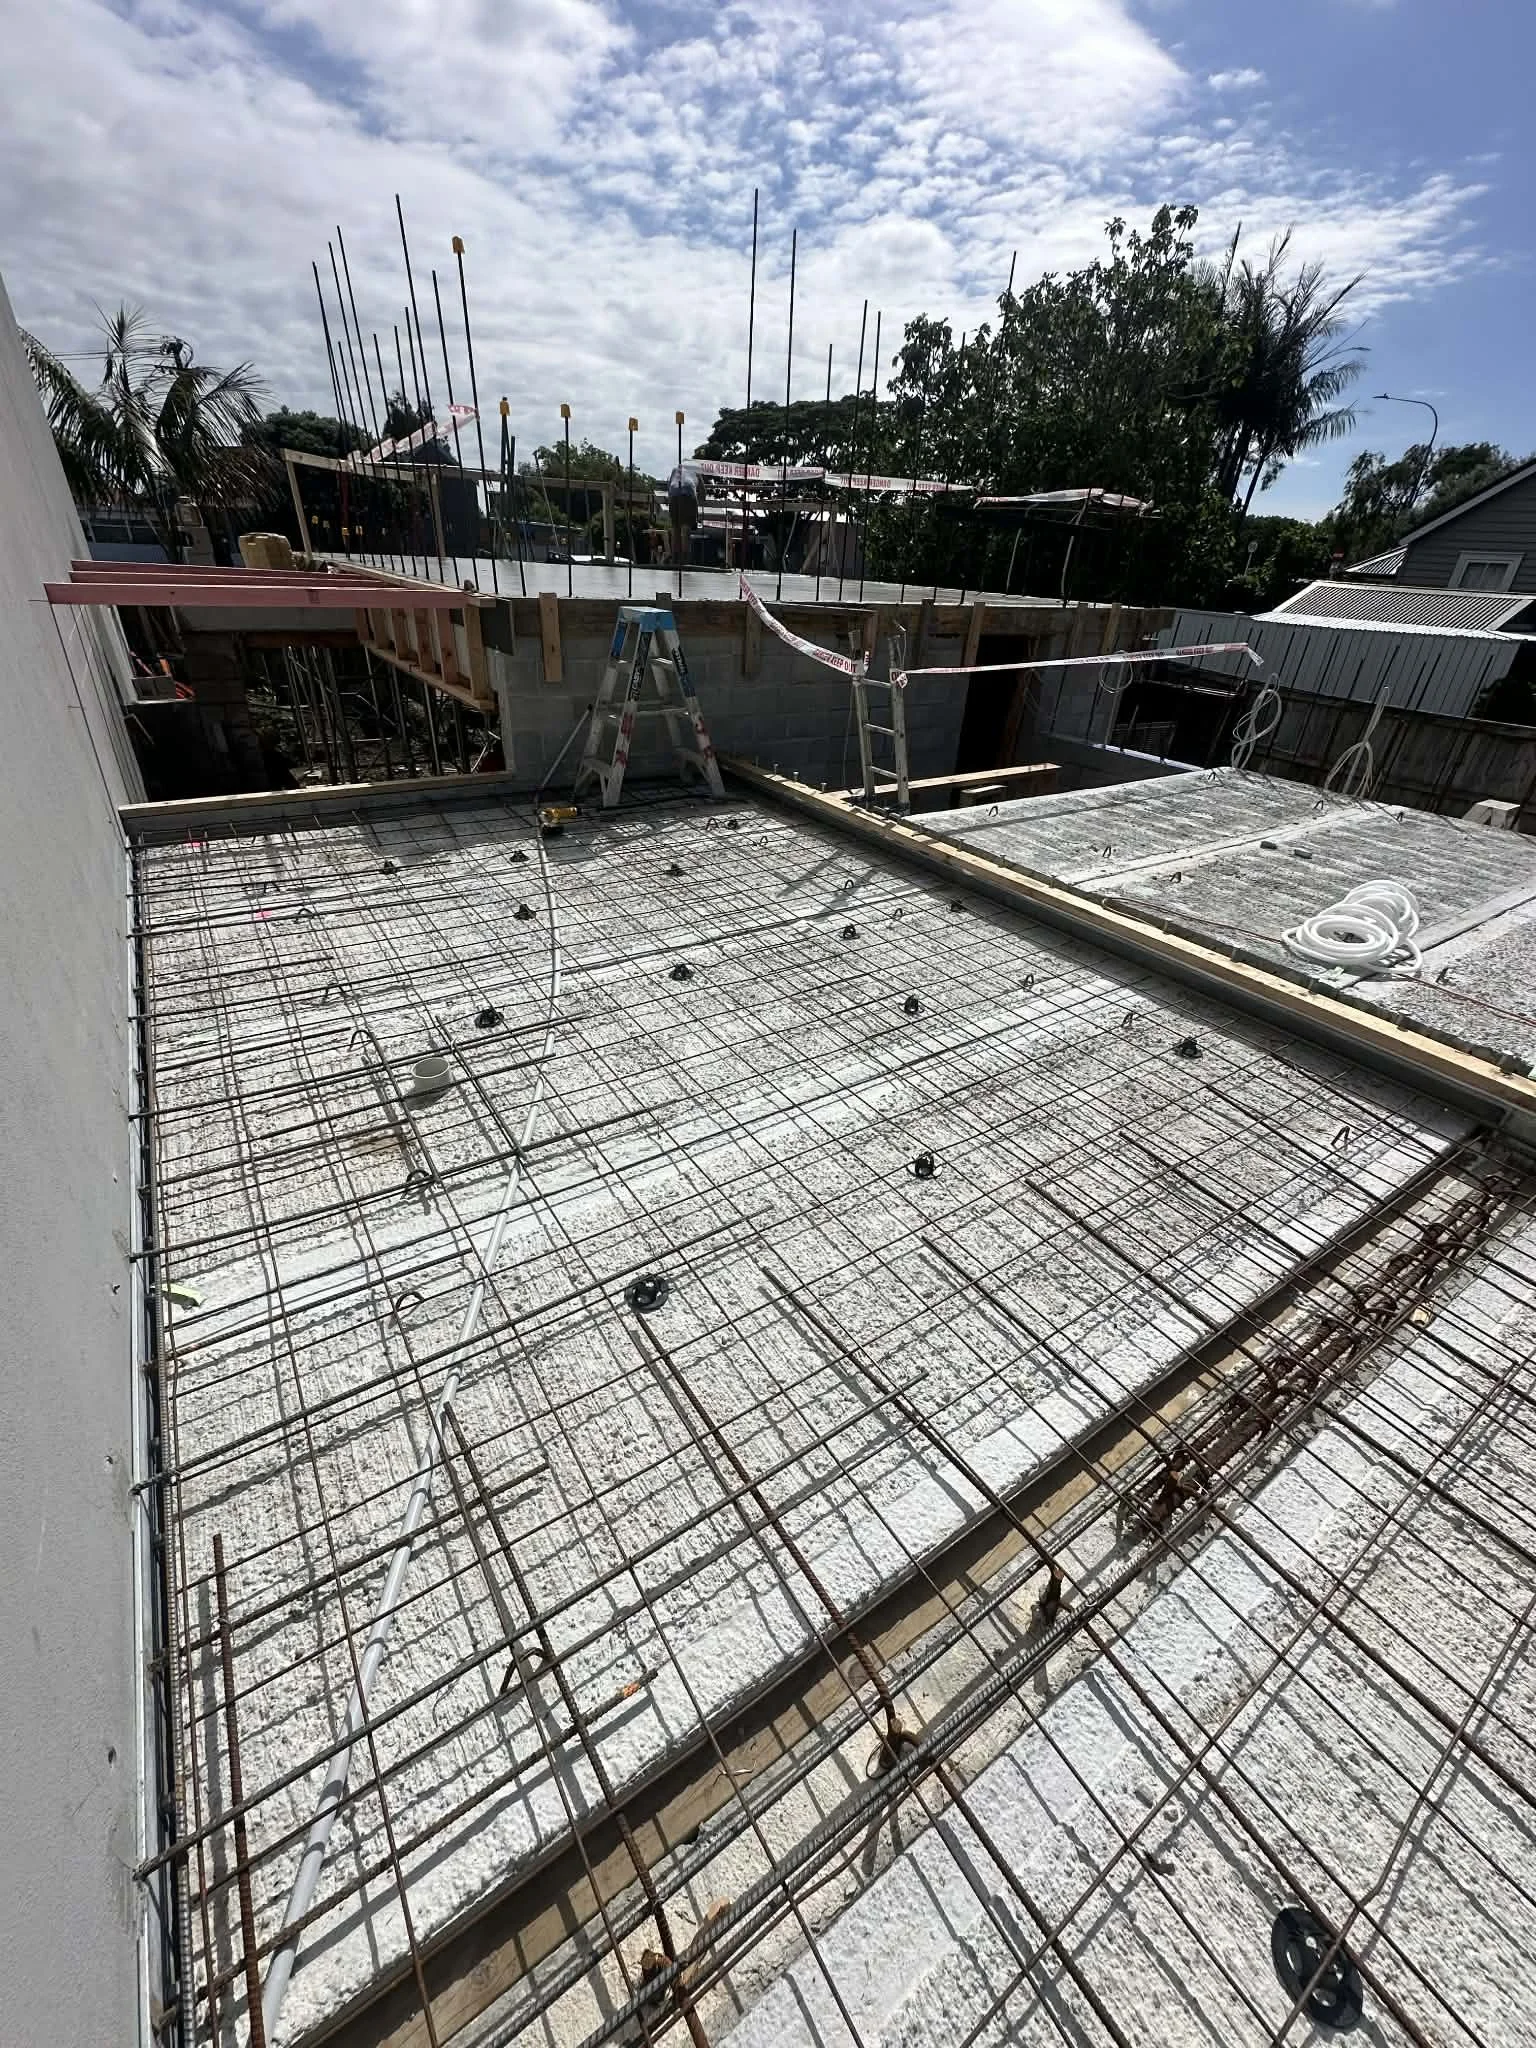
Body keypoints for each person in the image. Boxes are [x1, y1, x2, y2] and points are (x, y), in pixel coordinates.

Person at [667, 460, 703, 568]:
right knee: (685, 529)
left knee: (675, 529)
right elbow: (703, 491)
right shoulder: (695, 470)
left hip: (673, 494)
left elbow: (669, 485)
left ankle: (674, 559)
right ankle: (684, 561)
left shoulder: (675, 469)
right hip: (687, 493)